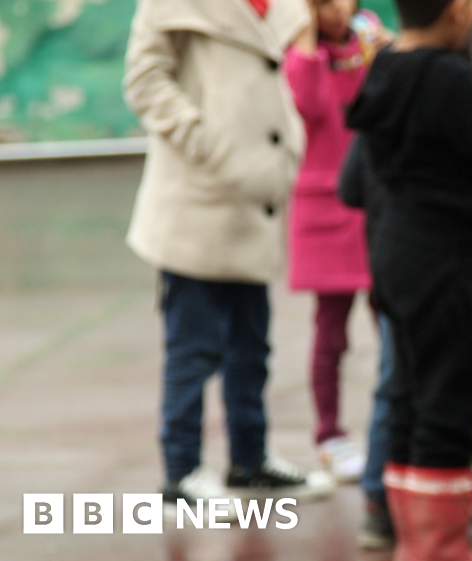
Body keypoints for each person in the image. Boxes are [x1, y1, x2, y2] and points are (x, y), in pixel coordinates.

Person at [123, 0, 334, 513]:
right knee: (193, 348)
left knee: (250, 345)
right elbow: (144, 80)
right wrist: (204, 139)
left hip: (251, 201)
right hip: (198, 197)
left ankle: (249, 459)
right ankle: (181, 471)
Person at [345, 0, 472, 561]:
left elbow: (363, 181)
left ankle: (414, 545)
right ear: (454, 12)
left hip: (396, 256)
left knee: (409, 395)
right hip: (451, 263)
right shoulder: (451, 76)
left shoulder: (384, 68)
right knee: (452, 397)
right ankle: (443, 554)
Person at [285, 0, 389, 483]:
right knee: (331, 332)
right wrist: (306, 41)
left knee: (393, 323)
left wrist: (388, 56)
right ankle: (329, 434)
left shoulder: (369, 42)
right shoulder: (299, 54)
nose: (339, 8)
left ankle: (392, 428)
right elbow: (307, 106)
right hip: (326, 207)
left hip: (375, 203)